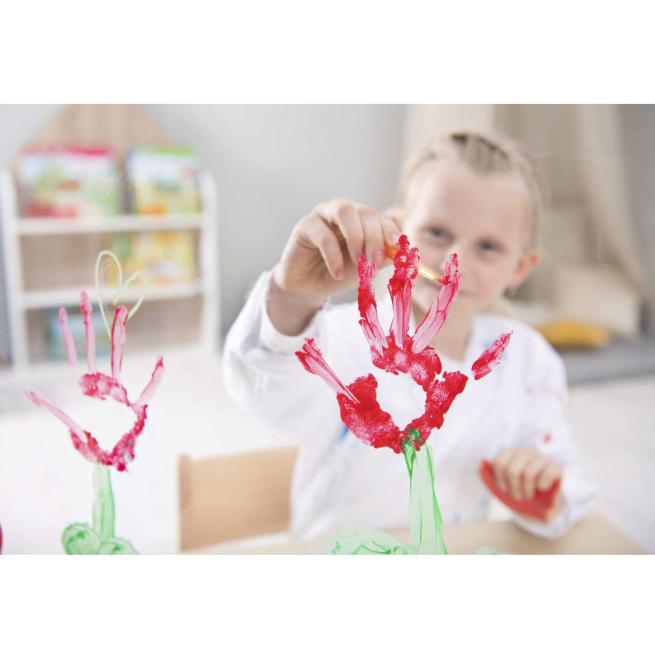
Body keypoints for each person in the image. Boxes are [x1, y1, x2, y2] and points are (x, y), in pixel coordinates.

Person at [223, 130, 595, 540]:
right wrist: (294, 296)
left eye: (488, 247)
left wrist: (543, 489)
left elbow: (566, 482)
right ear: (397, 234)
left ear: (520, 268)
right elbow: (263, 389)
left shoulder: (525, 361)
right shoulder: (345, 339)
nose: (455, 262)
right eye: (437, 232)